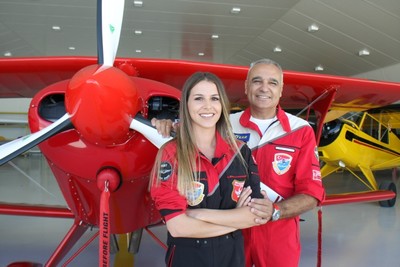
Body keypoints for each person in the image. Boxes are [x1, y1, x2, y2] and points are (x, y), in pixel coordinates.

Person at [152, 59, 325, 267]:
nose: (264, 88)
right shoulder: (222, 122)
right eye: (257, 81)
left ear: (281, 90)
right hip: (231, 239)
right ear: (246, 86)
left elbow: (312, 193)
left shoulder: (301, 130)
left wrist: (275, 211)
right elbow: (190, 128)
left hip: (276, 234)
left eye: (272, 83)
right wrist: (165, 123)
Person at [150, 71, 266, 267]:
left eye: (214, 98)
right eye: (198, 99)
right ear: (186, 105)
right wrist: (236, 219)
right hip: (187, 259)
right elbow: (178, 227)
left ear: (222, 105)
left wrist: (200, 214)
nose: (208, 106)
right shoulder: (171, 154)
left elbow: (256, 215)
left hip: (233, 258)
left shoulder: (240, 152)